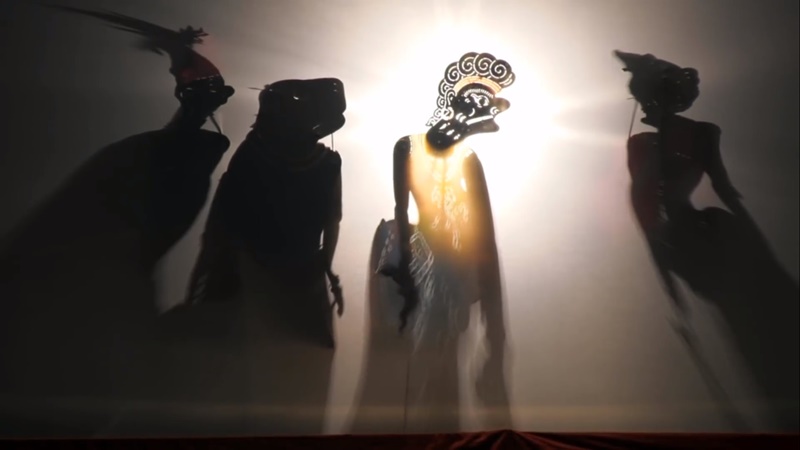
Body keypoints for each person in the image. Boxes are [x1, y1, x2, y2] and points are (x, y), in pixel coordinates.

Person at [352, 52, 513, 433]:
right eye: (472, 98)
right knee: (415, 349)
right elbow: (401, 206)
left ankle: (437, 430)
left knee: (445, 354)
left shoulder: (468, 157)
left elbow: (483, 228)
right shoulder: (407, 146)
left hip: (455, 263)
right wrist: (406, 262)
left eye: (484, 103)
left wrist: (486, 292)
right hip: (421, 256)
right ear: (454, 98)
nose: (476, 107)